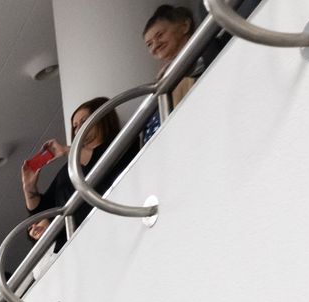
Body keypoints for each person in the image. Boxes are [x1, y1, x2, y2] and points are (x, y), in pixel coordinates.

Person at [23, 98, 131, 244]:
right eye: (75, 126)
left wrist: (67, 151)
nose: (79, 128)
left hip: (112, 223)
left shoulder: (122, 142)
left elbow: (103, 160)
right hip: (77, 241)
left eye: (84, 121)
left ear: (101, 118)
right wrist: (29, 188)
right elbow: (41, 212)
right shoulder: (68, 169)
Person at [144, 4, 199, 105]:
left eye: (160, 35)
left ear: (184, 26)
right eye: (149, 44)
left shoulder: (206, 53)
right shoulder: (163, 78)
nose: (155, 46)